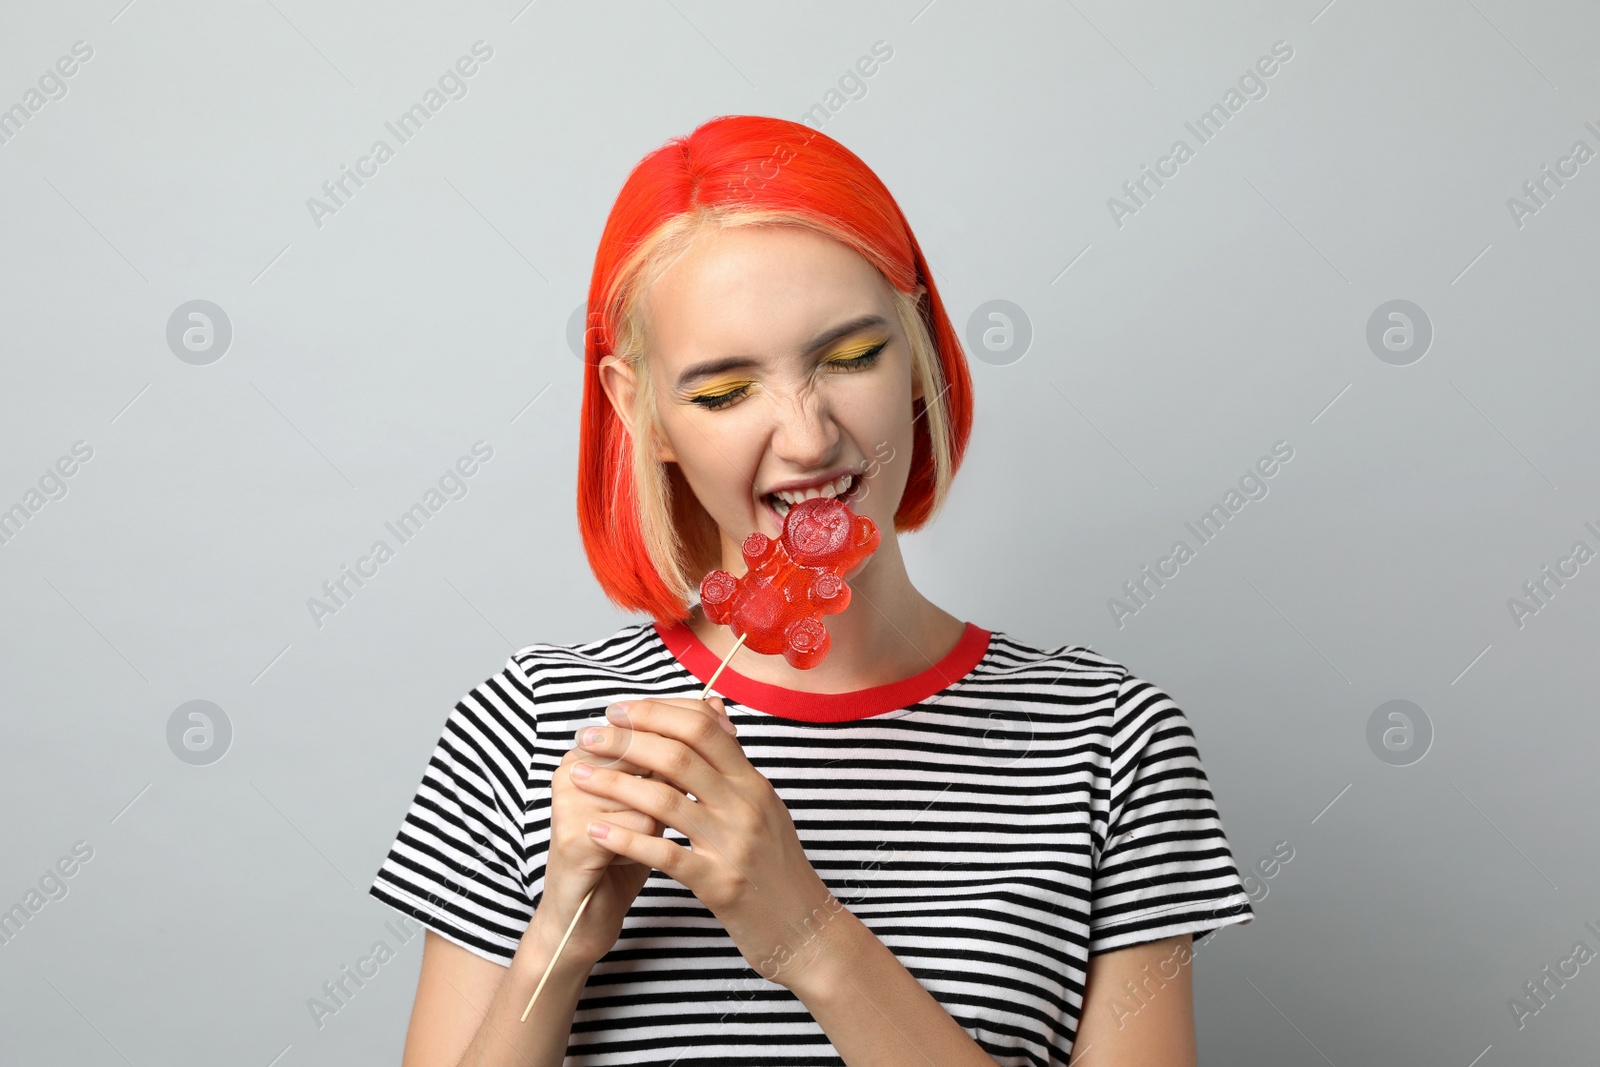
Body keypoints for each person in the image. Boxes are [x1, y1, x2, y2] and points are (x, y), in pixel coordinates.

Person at [369, 114, 1254, 1067]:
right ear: (643, 412)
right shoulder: (528, 729)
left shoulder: (1111, 743)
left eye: (850, 358)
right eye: (722, 392)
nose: (806, 439)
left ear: (916, 347)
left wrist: (805, 931)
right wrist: (560, 940)